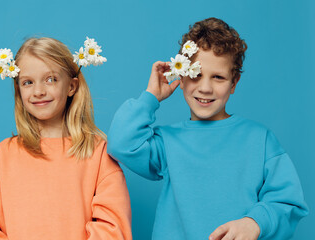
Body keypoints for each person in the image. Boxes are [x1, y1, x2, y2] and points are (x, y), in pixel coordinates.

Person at [107, 18, 308, 240]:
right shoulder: (167, 143)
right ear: (181, 77)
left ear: (234, 83)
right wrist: (151, 97)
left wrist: (255, 223)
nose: (205, 88)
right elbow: (121, 143)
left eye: (218, 77)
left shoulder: (260, 140)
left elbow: (288, 202)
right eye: (196, 75)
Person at [0, 37, 132, 240]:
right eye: (28, 82)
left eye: (50, 79)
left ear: (71, 86)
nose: (38, 91)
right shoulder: (3, 155)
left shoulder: (98, 153)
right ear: (19, 90)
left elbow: (112, 228)